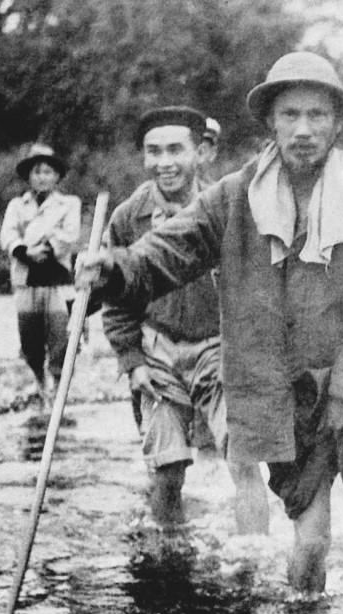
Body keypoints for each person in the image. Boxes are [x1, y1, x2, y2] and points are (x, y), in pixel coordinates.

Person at [77, 53, 343, 614]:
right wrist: (114, 269)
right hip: (285, 394)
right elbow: (170, 251)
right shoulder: (235, 198)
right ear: (270, 123)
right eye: (290, 115)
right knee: (311, 545)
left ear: (338, 123)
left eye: (317, 115)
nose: (303, 129)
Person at [103, 105, 269, 535]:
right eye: (153, 151)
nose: (164, 162)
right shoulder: (127, 217)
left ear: (201, 152)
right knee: (167, 469)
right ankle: (168, 555)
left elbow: (257, 289)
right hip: (157, 349)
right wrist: (131, 360)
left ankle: (255, 554)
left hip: (220, 347)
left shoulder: (229, 208)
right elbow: (116, 299)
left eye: (176, 150)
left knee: (244, 459)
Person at [1, 143, 81, 405]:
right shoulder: (17, 205)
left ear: (56, 176)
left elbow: (70, 235)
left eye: (47, 172)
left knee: (60, 336)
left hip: (58, 279)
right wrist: (26, 251)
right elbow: (8, 236)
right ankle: (39, 380)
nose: (42, 177)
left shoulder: (69, 203)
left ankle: (58, 386)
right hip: (26, 280)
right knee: (30, 338)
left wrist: (43, 246)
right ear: (28, 176)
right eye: (37, 172)